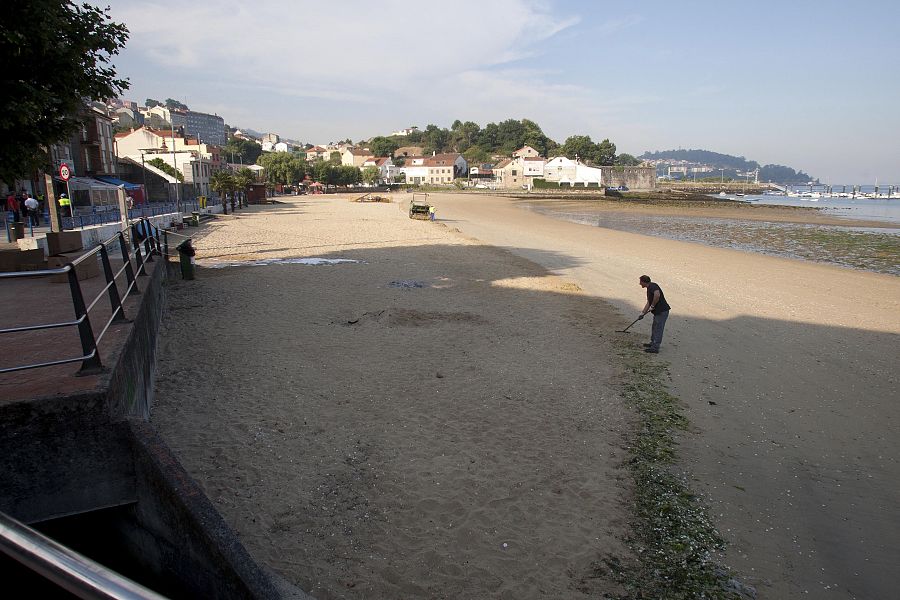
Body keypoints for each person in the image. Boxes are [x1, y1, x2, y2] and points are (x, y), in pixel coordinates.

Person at [639, 274, 671, 353]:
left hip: (662, 311)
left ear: (644, 282)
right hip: (658, 312)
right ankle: (652, 343)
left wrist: (653, 306)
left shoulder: (653, 286)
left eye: (640, 282)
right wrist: (642, 313)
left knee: (658, 329)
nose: (640, 284)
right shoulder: (649, 288)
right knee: (654, 327)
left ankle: (655, 347)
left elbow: (657, 295)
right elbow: (649, 303)